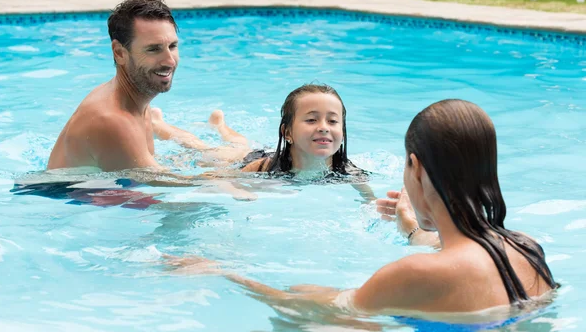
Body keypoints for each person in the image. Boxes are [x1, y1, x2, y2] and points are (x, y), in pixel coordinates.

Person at [165, 99, 559, 314]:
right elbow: (453, 255)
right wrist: (409, 227)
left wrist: (222, 272)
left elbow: (306, 306)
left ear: (414, 168)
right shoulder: (527, 247)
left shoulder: (415, 271)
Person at [47, 0, 198, 172]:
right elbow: (166, 184)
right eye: (153, 49)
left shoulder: (135, 100)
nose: (170, 61)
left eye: (172, 46)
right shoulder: (111, 121)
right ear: (119, 53)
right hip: (70, 196)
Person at [152, 83, 377, 200]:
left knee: (240, 141)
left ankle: (219, 124)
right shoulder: (264, 167)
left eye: (333, 121)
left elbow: (369, 198)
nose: (323, 127)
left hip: (272, 152)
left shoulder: (348, 171)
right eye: (311, 119)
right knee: (208, 150)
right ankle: (159, 124)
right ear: (287, 133)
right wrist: (236, 189)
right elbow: (216, 178)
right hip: (256, 157)